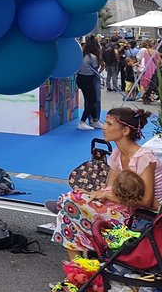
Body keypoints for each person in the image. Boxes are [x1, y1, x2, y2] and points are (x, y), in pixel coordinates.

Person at [51, 107, 160, 260]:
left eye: (109, 124)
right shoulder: (117, 154)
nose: (103, 127)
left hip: (142, 219)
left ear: (125, 131)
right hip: (123, 209)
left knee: (69, 205)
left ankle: (78, 271)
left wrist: (104, 195)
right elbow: (109, 189)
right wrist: (92, 195)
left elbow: (147, 201)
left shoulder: (144, 157)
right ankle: (78, 270)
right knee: (70, 208)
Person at [76, 38, 103, 130]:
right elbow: (95, 70)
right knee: (92, 102)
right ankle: (82, 122)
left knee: (90, 100)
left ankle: (95, 120)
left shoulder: (82, 55)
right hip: (88, 79)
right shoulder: (93, 57)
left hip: (80, 78)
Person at [139, 40, 159, 104]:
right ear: (154, 45)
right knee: (153, 83)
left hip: (145, 69)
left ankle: (143, 96)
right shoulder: (156, 52)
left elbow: (141, 59)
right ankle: (152, 97)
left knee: (143, 83)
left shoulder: (145, 51)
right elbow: (159, 62)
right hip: (153, 69)